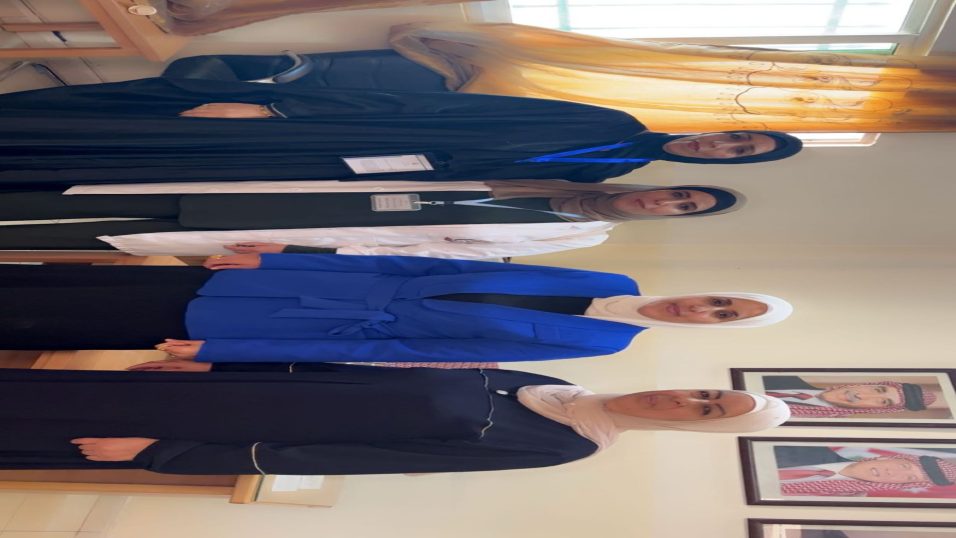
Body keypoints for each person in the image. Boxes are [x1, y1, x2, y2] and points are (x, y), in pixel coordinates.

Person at [0, 254, 792, 364]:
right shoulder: (609, 272)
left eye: (724, 317)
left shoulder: (602, 346)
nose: (704, 308)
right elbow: (422, 266)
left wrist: (221, 353)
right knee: (57, 284)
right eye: (720, 297)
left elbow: (397, 353)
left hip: (283, 325)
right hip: (281, 285)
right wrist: (274, 258)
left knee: (57, 322)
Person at [0, 364, 790, 474]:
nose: (685, 401)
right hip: (211, 391)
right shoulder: (552, 384)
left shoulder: (563, 446)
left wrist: (165, 452)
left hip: (193, 429)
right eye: (704, 391)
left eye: (706, 413)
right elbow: (368, 376)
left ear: (693, 429)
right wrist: (223, 365)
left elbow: (361, 454)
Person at [0, 78, 802, 185]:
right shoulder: (607, 122)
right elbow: (445, 112)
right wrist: (279, 111)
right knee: (166, 131)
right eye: (736, 137)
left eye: (738, 155)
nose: (720, 147)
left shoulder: (612, 173)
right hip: (314, 130)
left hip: (347, 170)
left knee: (152, 170)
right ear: (718, 128)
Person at [0, 181, 742, 256]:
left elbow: (439, 254)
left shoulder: (579, 234)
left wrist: (301, 254)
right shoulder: (551, 177)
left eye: (682, 211)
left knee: (104, 234)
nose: (665, 202)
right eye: (679, 191)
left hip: (320, 228)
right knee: (91, 199)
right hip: (303, 191)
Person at [774, 445, 956, 498]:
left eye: (908, 477)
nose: (892, 474)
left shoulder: (840, 502)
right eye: (903, 466)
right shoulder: (807, 447)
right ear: (885, 458)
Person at [762, 376, 942, 418]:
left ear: (876, 410)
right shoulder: (783, 378)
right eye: (877, 390)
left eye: (882, 401)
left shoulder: (816, 427)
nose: (860, 394)